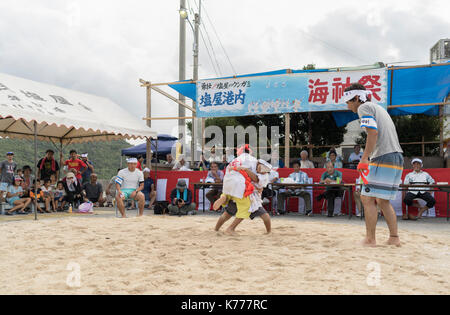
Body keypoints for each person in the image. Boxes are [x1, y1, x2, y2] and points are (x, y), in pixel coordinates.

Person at [343, 83, 403, 247]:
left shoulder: (364, 108)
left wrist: (364, 158)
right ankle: (394, 237)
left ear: (356, 98)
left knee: (366, 197)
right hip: (396, 156)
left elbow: (372, 132)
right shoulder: (378, 108)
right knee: (382, 201)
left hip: (383, 156)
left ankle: (370, 239)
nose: (347, 105)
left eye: (348, 101)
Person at [213, 159, 273, 234]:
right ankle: (230, 228)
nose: (261, 170)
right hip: (245, 195)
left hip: (242, 194)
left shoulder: (263, 176)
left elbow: (256, 180)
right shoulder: (254, 168)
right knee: (247, 212)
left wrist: (244, 169)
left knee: (227, 214)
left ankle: (216, 228)